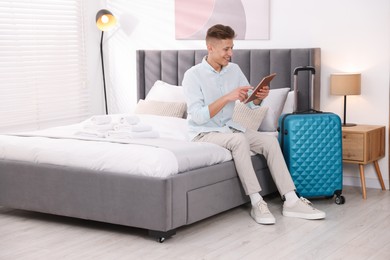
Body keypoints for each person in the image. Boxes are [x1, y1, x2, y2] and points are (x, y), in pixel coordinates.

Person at [182, 24, 325, 225]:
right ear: (210, 48)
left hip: (230, 128)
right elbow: (197, 117)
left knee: (269, 142)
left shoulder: (234, 70)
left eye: (231, 48)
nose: (230, 53)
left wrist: (258, 98)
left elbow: (249, 104)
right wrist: (227, 97)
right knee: (239, 140)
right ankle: (257, 202)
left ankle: (291, 200)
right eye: (226, 49)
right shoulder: (192, 75)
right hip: (204, 132)